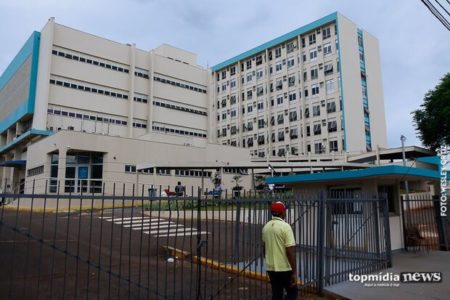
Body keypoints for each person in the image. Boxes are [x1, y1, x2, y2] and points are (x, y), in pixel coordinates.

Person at [262, 201, 298, 300]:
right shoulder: (285, 227)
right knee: (292, 292)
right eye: (285, 210)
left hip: (271, 268)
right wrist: (294, 272)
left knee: (277, 294)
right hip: (284, 268)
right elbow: (290, 252)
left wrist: (269, 261)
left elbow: (264, 249)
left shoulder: (266, 227)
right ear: (282, 212)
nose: (285, 212)